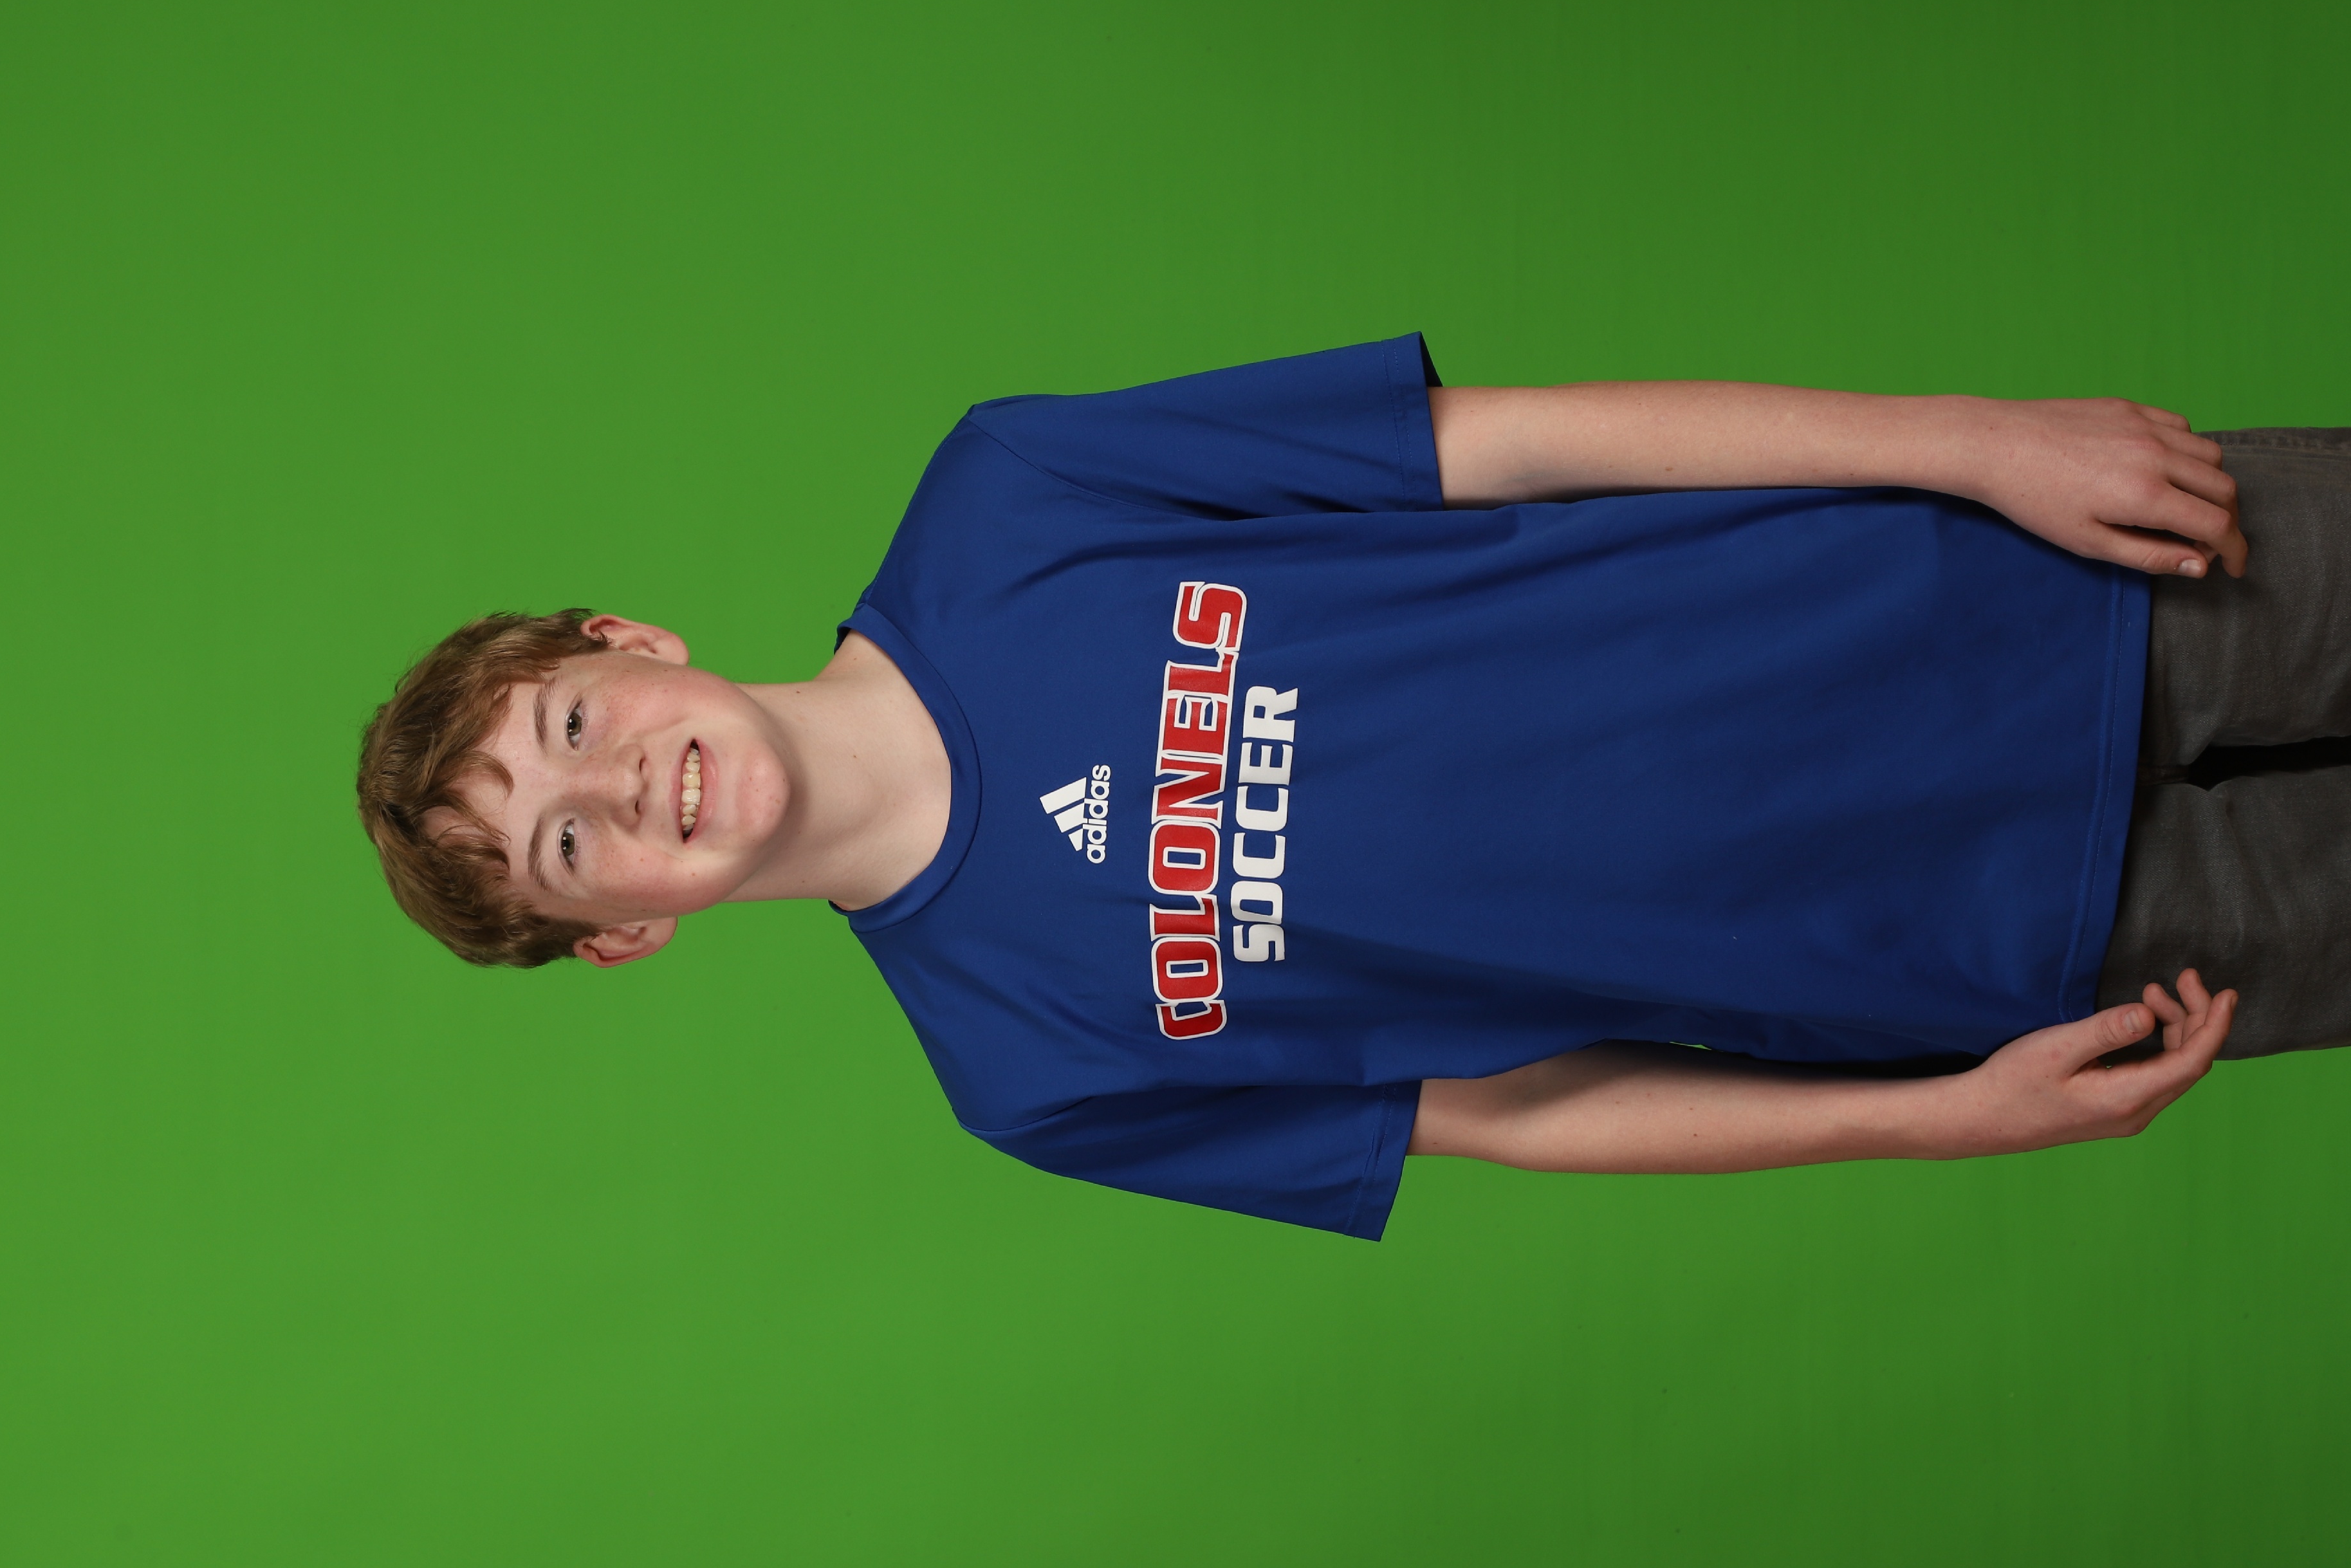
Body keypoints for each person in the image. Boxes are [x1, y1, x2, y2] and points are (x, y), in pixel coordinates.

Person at [355, 335, 2351, 1237]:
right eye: (569, 845)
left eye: (575, 727)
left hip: (2011, 588)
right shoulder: (1026, 1072)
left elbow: (1524, 443)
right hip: (1995, 946)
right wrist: (1939, 1121)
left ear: (627, 643)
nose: (627, 788)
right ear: (625, 933)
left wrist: (1971, 440)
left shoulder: (1011, 497)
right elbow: (1528, 1115)